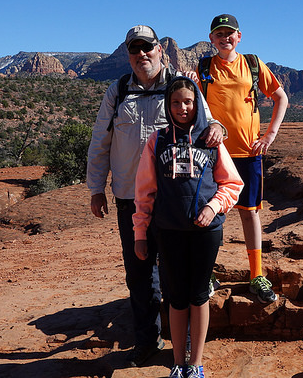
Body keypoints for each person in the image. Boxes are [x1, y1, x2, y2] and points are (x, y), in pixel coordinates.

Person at [87, 25, 225, 367]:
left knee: (180, 272)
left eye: (147, 48)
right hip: (129, 197)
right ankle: (148, 341)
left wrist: (220, 127)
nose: (141, 55)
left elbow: (206, 123)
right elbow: (99, 142)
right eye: (135, 50)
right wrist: (95, 188)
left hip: (174, 198)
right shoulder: (118, 90)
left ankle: (188, 347)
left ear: (160, 50)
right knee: (139, 271)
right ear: (128, 54)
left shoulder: (180, 86)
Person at [134, 76, 243, 378]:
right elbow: (144, 193)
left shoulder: (210, 139)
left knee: (198, 295)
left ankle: (196, 364)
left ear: (197, 104)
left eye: (188, 102)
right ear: (167, 106)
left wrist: (213, 206)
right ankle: (178, 363)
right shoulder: (156, 141)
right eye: (176, 102)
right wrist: (140, 234)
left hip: (206, 232)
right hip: (168, 231)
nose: (182, 108)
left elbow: (232, 183)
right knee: (176, 298)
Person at [196, 14, 288, 304]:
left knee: (249, 212)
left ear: (239, 37)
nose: (225, 38)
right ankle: (207, 272)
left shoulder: (252, 64)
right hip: (214, 154)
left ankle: (256, 275)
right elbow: (192, 106)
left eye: (230, 33)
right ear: (211, 39)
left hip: (248, 153)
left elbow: (280, 97)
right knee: (212, 214)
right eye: (219, 34)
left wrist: (270, 135)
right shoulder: (202, 68)